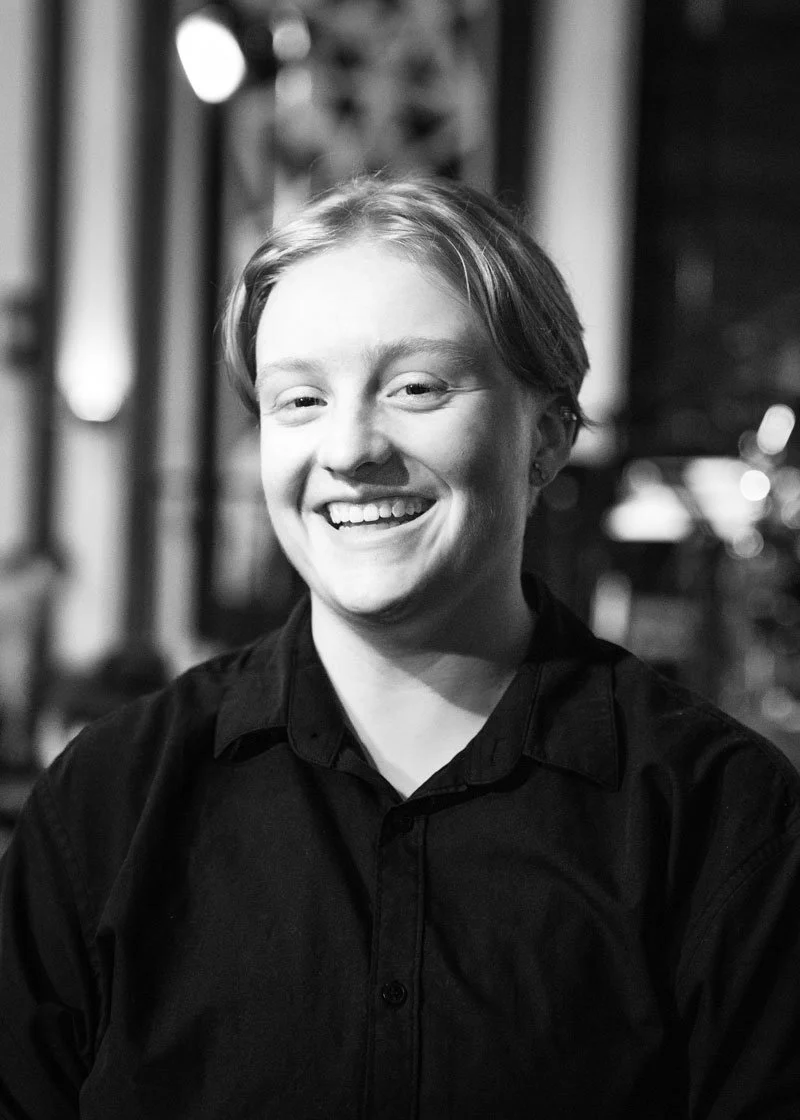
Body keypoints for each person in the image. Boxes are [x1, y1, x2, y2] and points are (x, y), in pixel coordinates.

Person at [1, 176, 799, 1119]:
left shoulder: (720, 817)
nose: (349, 447)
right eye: (297, 400)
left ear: (544, 436)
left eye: (416, 386)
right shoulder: (108, 800)